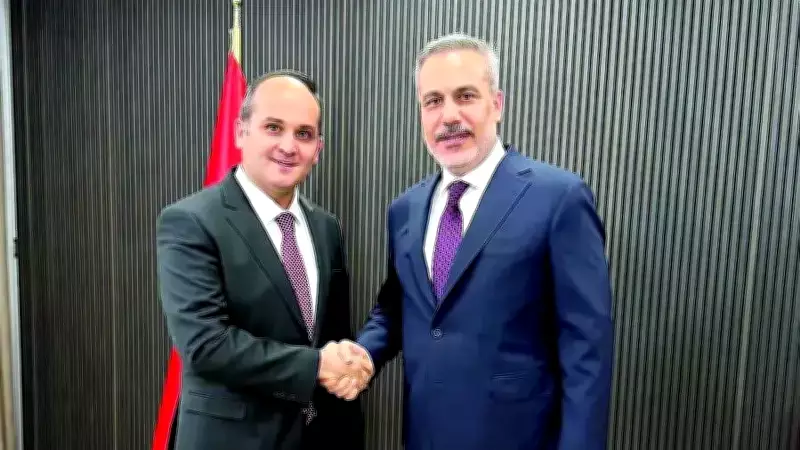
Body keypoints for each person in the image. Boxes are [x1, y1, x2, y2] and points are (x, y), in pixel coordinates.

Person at [335, 33, 615, 449]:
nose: (449, 116)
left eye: (465, 96)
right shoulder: (404, 210)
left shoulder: (559, 199)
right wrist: (364, 353)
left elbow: (587, 348)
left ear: (496, 104)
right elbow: (396, 308)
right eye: (433, 101)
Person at [156, 70, 369, 450]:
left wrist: (349, 365)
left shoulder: (326, 227)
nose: (288, 146)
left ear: (318, 149)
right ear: (241, 132)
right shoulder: (190, 221)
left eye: (304, 134)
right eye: (273, 127)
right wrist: (318, 366)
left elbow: (332, 333)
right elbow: (206, 345)